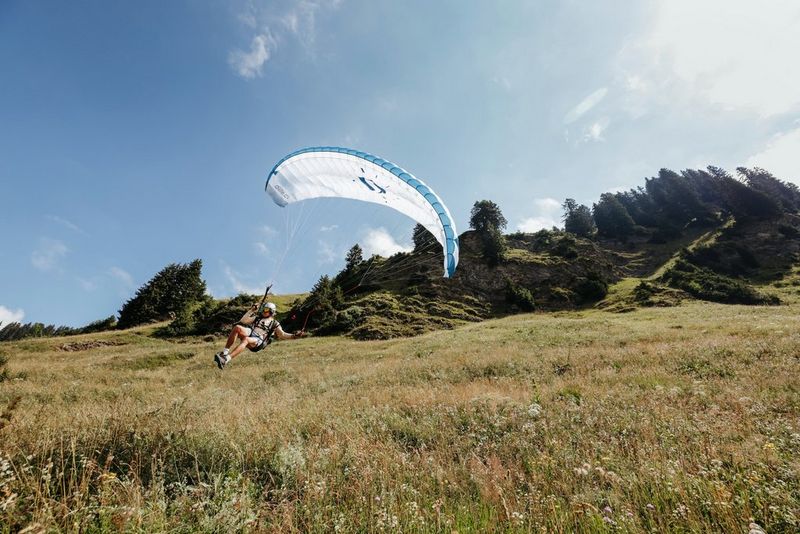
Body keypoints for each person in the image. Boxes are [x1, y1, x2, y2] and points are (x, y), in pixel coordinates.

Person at [214, 301, 304, 369]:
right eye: (263, 309)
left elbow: (282, 335)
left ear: (271, 312)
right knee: (237, 327)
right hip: (252, 333)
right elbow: (243, 321)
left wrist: (294, 336)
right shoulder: (257, 318)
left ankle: (226, 360)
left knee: (246, 340)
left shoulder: (275, 323)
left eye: (266, 310)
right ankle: (224, 353)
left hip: (259, 341)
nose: (263, 311)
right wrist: (251, 310)